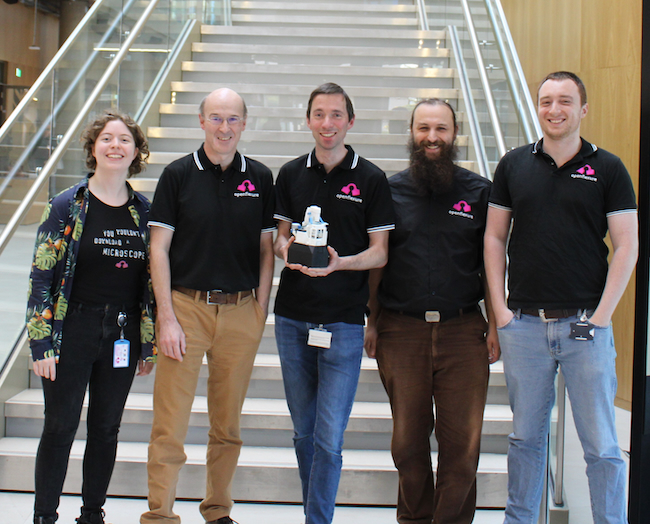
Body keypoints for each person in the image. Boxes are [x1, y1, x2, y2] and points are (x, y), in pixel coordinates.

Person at [484, 71, 638, 523]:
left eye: (565, 101)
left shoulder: (608, 168)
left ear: (583, 109)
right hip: (524, 326)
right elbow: (494, 238)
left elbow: (627, 245)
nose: (555, 109)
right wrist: (500, 311)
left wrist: (603, 318)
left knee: (602, 447)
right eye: (547, 101)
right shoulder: (513, 165)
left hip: (586, 325)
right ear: (538, 108)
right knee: (526, 440)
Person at [140, 88, 275, 524]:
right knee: (170, 424)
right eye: (216, 118)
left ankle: (218, 511)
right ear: (201, 122)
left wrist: (260, 309)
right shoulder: (178, 175)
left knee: (227, 426)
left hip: (241, 313)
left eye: (233, 119)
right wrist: (166, 317)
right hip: (186, 309)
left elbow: (267, 249)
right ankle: (160, 515)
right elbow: (157, 249)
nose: (224, 127)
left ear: (244, 124)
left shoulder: (260, 177)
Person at [364, 98, 499, 524]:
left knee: (461, 449)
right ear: (411, 133)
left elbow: (494, 264)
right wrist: (372, 321)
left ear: (454, 134)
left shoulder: (480, 192)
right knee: (407, 446)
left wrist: (496, 324)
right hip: (401, 332)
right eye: (423, 129)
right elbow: (377, 261)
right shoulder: (388, 190)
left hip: (463, 332)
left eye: (441, 129)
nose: (432, 138)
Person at [273, 82, 395, 524]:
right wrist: (288, 253)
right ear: (308, 120)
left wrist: (340, 264)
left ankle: (317, 519)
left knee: (328, 437)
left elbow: (380, 252)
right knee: (304, 432)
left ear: (350, 121)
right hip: (291, 320)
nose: (328, 123)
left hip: (343, 323)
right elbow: (279, 239)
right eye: (319, 114)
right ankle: (316, 516)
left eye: (336, 114)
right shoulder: (289, 174)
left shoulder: (371, 179)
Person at [27, 109, 156, 524]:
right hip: (73, 330)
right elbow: (41, 276)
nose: (115, 145)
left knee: (106, 429)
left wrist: (147, 343)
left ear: (136, 152)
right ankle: (45, 515)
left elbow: (151, 284)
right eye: (107, 138)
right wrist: (40, 342)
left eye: (124, 140)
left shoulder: (144, 213)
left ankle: (92, 514)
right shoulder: (67, 205)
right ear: (93, 148)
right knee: (60, 427)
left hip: (122, 332)